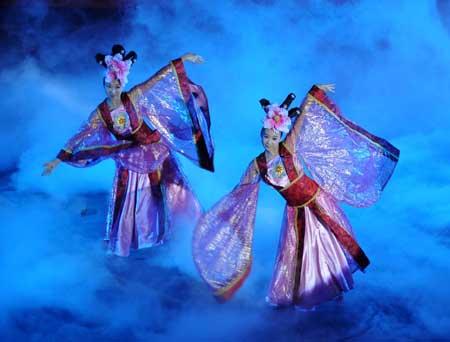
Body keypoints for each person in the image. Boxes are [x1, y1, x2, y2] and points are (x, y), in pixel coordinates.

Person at [192, 84, 399, 310]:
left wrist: (314, 92)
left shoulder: (288, 149)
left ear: (279, 136)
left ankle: (335, 286)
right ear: (261, 135)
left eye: (273, 137)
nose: (268, 141)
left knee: (327, 244)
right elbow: (241, 188)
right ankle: (312, 291)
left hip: (317, 203)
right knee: (302, 253)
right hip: (295, 210)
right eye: (265, 136)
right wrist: (224, 212)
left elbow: (302, 119)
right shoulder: (258, 165)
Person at [43, 44, 214, 257]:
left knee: (169, 189)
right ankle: (130, 236)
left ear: (121, 85)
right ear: (104, 85)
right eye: (108, 86)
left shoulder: (133, 97)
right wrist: (57, 160)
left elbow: (156, 78)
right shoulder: (101, 112)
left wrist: (182, 60)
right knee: (127, 196)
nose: (112, 91)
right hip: (130, 155)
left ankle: (180, 229)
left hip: (153, 150)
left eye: (116, 87)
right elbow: (82, 135)